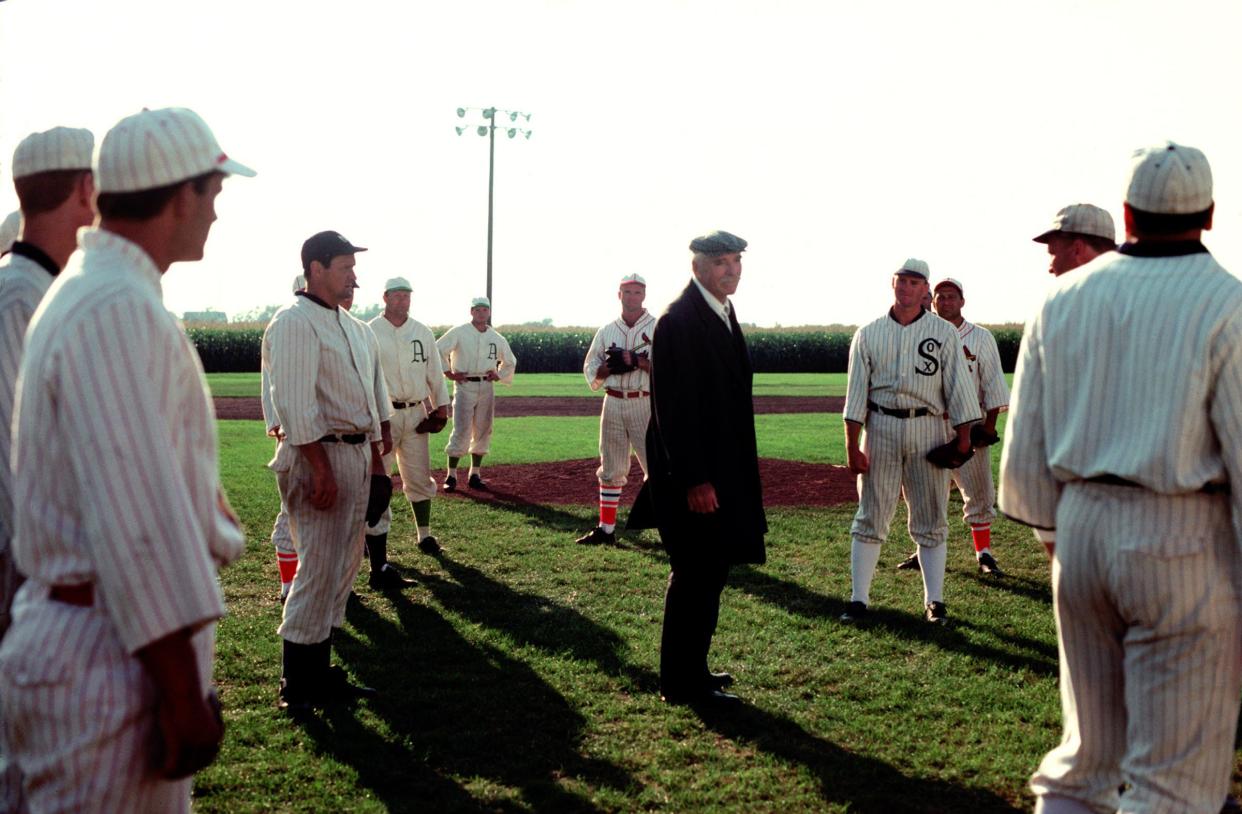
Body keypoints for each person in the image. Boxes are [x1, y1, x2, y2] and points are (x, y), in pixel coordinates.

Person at [0, 107, 252, 811]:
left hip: (92, 638)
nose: (215, 213)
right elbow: (134, 515)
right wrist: (180, 692)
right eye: (213, 193)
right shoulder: (115, 304)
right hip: (105, 653)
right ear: (179, 195)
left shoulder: (95, 288)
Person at [1000, 143, 1242, 814]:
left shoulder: (1062, 298)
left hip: (1079, 529)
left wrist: (1063, 538)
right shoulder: (1229, 305)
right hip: (1182, 532)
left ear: (1129, 214)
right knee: (1175, 780)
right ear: (1212, 215)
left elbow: (1023, 457)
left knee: (1084, 761)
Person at [627, 230, 766, 705]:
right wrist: (694, 479)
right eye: (722, 262)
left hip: (722, 470)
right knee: (693, 574)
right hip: (693, 477)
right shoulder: (678, 320)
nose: (733, 270)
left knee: (712, 572)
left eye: (736, 261)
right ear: (698, 268)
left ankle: (695, 670)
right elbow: (674, 409)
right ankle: (679, 683)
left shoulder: (721, 312)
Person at [0, 124, 94, 813]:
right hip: (24, 562)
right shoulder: (18, 296)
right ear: (86, 190)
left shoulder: (42, 288)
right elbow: (14, 458)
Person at [262, 230, 391, 715]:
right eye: (344, 265)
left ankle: (319, 671)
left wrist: (377, 466)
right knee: (317, 567)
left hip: (356, 454)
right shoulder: (294, 322)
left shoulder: (351, 327)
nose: (353, 275)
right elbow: (295, 406)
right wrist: (320, 469)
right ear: (316, 268)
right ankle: (297, 683)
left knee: (343, 567)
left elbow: (367, 405)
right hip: (320, 454)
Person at [839, 258, 980, 625]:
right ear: (892, 283)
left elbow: (960, 389)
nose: (905, 287)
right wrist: (852, 445)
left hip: (928, 428)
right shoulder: (868, 333)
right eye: (901, 280)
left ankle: (935, 602)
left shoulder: (943, 333)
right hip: (881, 426)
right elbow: (855, 396)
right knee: (871, 513)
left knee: (931, 515)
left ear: (925, 291)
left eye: (914, 282)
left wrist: (964, 438)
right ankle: (858, 600)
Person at [895, 277, 1009, 575]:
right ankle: (923, 550)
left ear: (962, 301)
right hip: (930, 427)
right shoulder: (922, 335)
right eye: (940, 297)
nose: (946, 302)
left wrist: (990, 426)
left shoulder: (980, 337)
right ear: (932, 302)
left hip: (969, 426)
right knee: (923, 492)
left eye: (952, 296)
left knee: (979, 490)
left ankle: (983, 553)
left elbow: (994, 382)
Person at [366, 276, 450, 577]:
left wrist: (442, 406)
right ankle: (373, 544)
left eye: (406, 296)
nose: (402, 301)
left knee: (418, 474)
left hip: (415, 412)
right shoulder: (370, 331)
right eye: (397, 295)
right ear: (385, 297)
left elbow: (435, 374)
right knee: (378, 481)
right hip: (382, 416)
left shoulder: (421, 331)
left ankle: (424, 534)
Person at [575, 273, 655, 545]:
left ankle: (672, 531)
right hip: (612, 401)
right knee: (610, 466)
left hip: (643, 401)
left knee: (656, 466)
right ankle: (606, 529)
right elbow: (591, 366)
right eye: (627, 292)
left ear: (644, 295)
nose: (632, 297)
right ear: (618, 295)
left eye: (637, 292)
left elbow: (674, 368)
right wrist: (605, 369)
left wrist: (640, 362)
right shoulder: (607, 330)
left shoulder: (658, 327)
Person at [436, 297, 517, 490]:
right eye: (478, 310)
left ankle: (475, 474)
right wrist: (449, 373)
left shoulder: (496, 338)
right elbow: (438, 348)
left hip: (486, 386)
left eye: (485, 310)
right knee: (461, 428)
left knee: (483, 428)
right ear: (471, 311)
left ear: (489, 312)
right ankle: (451, 476)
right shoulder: (460, 332)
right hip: (465, 385)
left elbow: (510, 361)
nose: (481, 313)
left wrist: (498, 375)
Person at [264, 274, 306, 602]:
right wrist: (277, 422)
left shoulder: (336, 323)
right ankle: (288, 586)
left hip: (331, 436)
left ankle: (317, 582)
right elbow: (271, 381)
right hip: (292, 434)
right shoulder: (284, 323)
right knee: (291, 511)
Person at [1032, 203, 1116, 278]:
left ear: (1077, 249)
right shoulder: (1125, 285)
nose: (1050, 270)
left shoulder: (1069, 294)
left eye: (1053, 254)